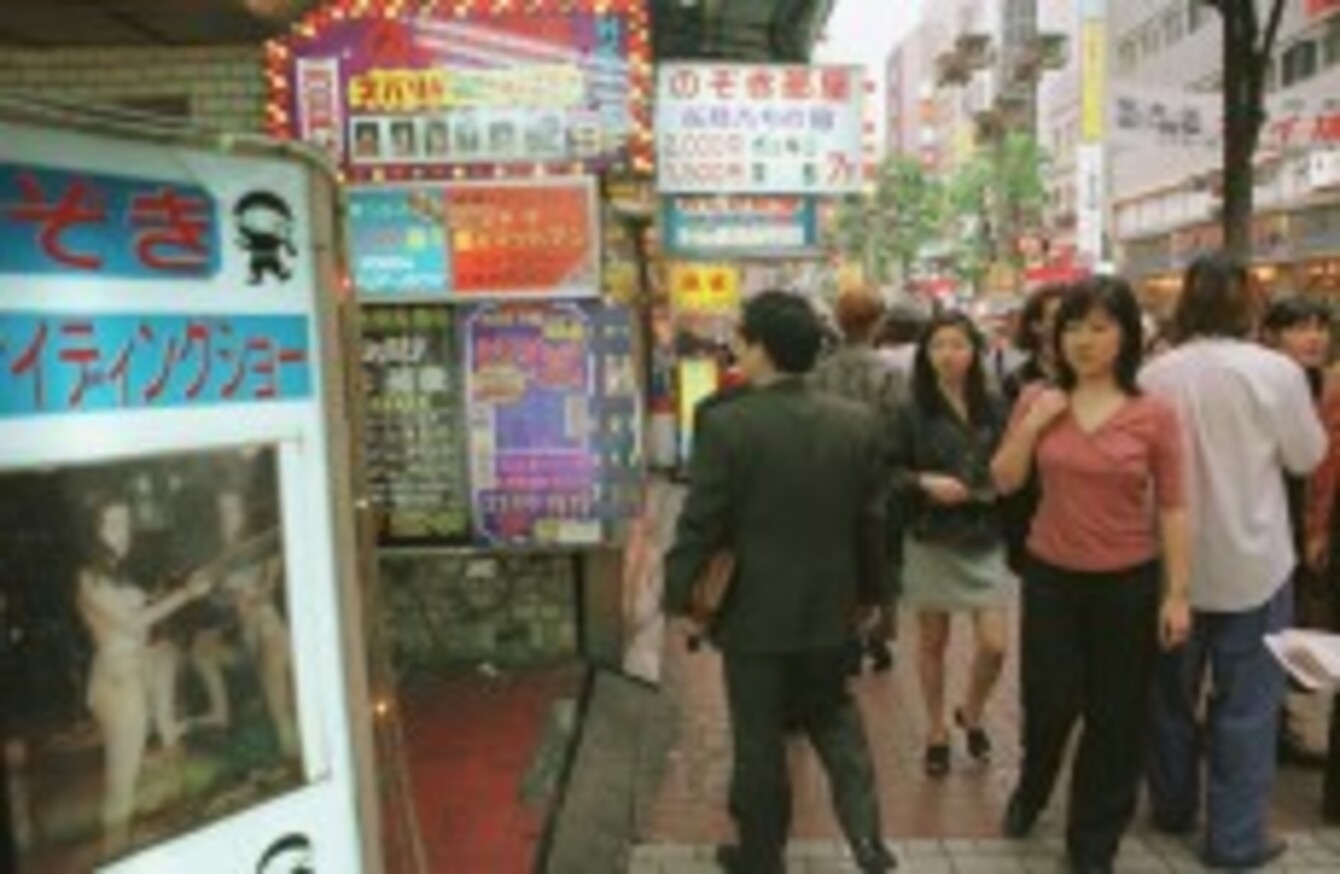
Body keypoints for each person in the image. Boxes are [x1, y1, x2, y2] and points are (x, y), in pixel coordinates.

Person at [663, 291, 895, 874]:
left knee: (759, 736)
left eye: (741, 339)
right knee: (835, 719)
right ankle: (868, 841)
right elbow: (872, 522)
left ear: (760, 348)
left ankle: (762, 855)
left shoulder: (726, 423)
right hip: (832, 605)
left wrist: (679, 595)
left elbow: (701, 521)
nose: (736, 348)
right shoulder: (856, 423)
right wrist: (872, 596)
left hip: (754, 612)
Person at [992, 277, 1191, 874]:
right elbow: (1004, 480)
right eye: (1073, 327)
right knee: (1049, 705)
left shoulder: (1154, 414)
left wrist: (1177, 594)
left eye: (1100, 328)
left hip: (1127, 583)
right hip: (1051, 579)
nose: (1083, 340)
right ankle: (1032, 789)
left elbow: (1175, 507)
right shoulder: (1037, 398)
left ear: (1127, 337)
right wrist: (1033, 425)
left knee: (1115, 716)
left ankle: (1092, 843)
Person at [1142, 253, 1326, 870]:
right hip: (1258, 559)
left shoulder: (1154, 374)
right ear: (1250, 302)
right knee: (1247, 705)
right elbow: (1305, 455)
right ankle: (1235, 836)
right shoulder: (1277, 373)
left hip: (1171, 564)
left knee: (1168, 696)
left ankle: (1171, 807)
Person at [892, 312, 1011, 777]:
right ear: (925, 353)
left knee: (995, 645)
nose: (948, 354)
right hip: (930, 534)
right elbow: (886, 469)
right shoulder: (909, 410)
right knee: (932, 641)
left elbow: (1013, 463)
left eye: (958, 345)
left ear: (975, 351)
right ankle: (936, 728)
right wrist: (924, 481)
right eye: (938, 345)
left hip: (985, 533)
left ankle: (972, 711)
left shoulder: (995, 405)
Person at [76, 494, 212, 857]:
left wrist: (181, 585)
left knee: (125, 787)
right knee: (121, 790)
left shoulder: (115, 575)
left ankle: (119, 851)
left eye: (126, 523)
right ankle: (113, 857)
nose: (123, 533)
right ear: (94, 531)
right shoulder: (89, 577)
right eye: (112, 524)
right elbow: (135, 622)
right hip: (117, 685)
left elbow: (147, 607)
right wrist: (186, 593)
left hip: (129, 676)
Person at [811, 288, 904, 674]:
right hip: (879, 481)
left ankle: (844, 638)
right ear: (879, 323)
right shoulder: (891, 374)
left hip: (830, 481)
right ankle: (879, 637)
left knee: (839, 560)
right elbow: (898, 431)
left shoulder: (820, 372)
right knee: (884, 560)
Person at [1002, 283, 1067, 404]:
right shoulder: (1018, 380)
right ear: (1035, 325)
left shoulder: (1086, 374)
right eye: (1055, 317)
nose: (1064, 323)